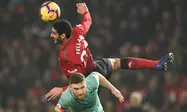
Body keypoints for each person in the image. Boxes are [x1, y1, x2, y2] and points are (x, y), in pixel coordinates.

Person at [45, 3, 174, 101]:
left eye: (54, 33)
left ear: (63, 36)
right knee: (118, 62)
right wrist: (85, 12)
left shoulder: (68, 55)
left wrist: (61, 90)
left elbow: (80, 82)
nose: (51, 35)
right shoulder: (77, 32)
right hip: (98, 67)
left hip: (90, 82)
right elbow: (87, 21)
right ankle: (156, 64)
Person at [53, 72, 124, 112]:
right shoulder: (66, 97)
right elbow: (57, 110)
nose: (80, 92)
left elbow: (97, 75)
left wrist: (113, 89)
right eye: (76, 89)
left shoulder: (92, 81)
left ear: (86, 84)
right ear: (70, 88)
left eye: (82, 87)